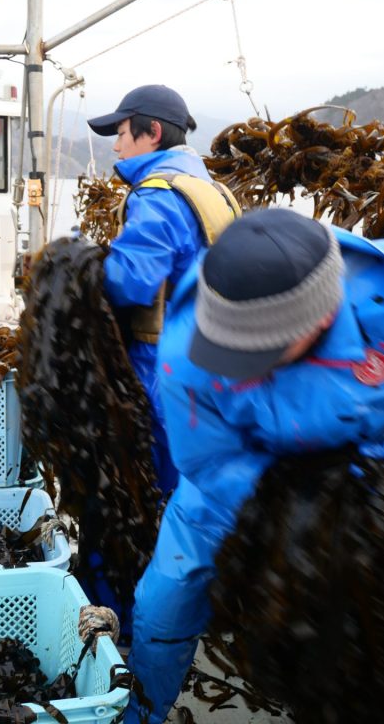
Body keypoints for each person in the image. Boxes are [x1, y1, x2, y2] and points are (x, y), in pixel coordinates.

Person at [131, 207, 384, 722]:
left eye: (254, 355)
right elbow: (207, 457)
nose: (236, 364)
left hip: (374, 475)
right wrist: (288, 513)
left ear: (321, 317)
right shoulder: (189, 347)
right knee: (163, 605)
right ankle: (142, 712)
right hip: (238, 486)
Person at [82, 84, 240, 626]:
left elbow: (131, 280)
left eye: (121, 133)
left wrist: (72, 268)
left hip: (156, 375)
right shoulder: (213, 192)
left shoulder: (158, 193)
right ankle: (185, 613)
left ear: (151, 132)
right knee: (183, 506)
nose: (116, 146)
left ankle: (119, 620)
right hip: (208, 371)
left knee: (127, 500)